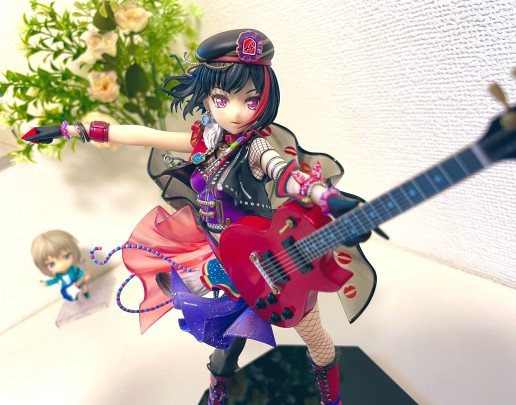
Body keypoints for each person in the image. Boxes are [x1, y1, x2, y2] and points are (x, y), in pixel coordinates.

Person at [23, 29, 380, 405]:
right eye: (222, 99)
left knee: (317, 340)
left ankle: (332, 401)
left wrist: (323, 195)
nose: (237, 113)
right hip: (226, 258)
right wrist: (73, 129)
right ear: (207, 97)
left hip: (270, 258)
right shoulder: (206, 139)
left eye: (251, 100)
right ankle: (218, 391)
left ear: (265, 99)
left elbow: (283, 172)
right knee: (228, 340)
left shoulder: (255, 146)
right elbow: (145, 134)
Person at [31, 230, 90, 301]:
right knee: (72, 295)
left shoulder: (72, 269)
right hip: (67, 288)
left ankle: (85, 293)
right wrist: (47, 283)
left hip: (77, 282)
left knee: (83, 286)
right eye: (52, 264)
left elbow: (79, 272)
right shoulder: (59, 276)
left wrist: (84, 275)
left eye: (66, 256)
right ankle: (76, 297)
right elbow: (55, 280)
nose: (61, 264)